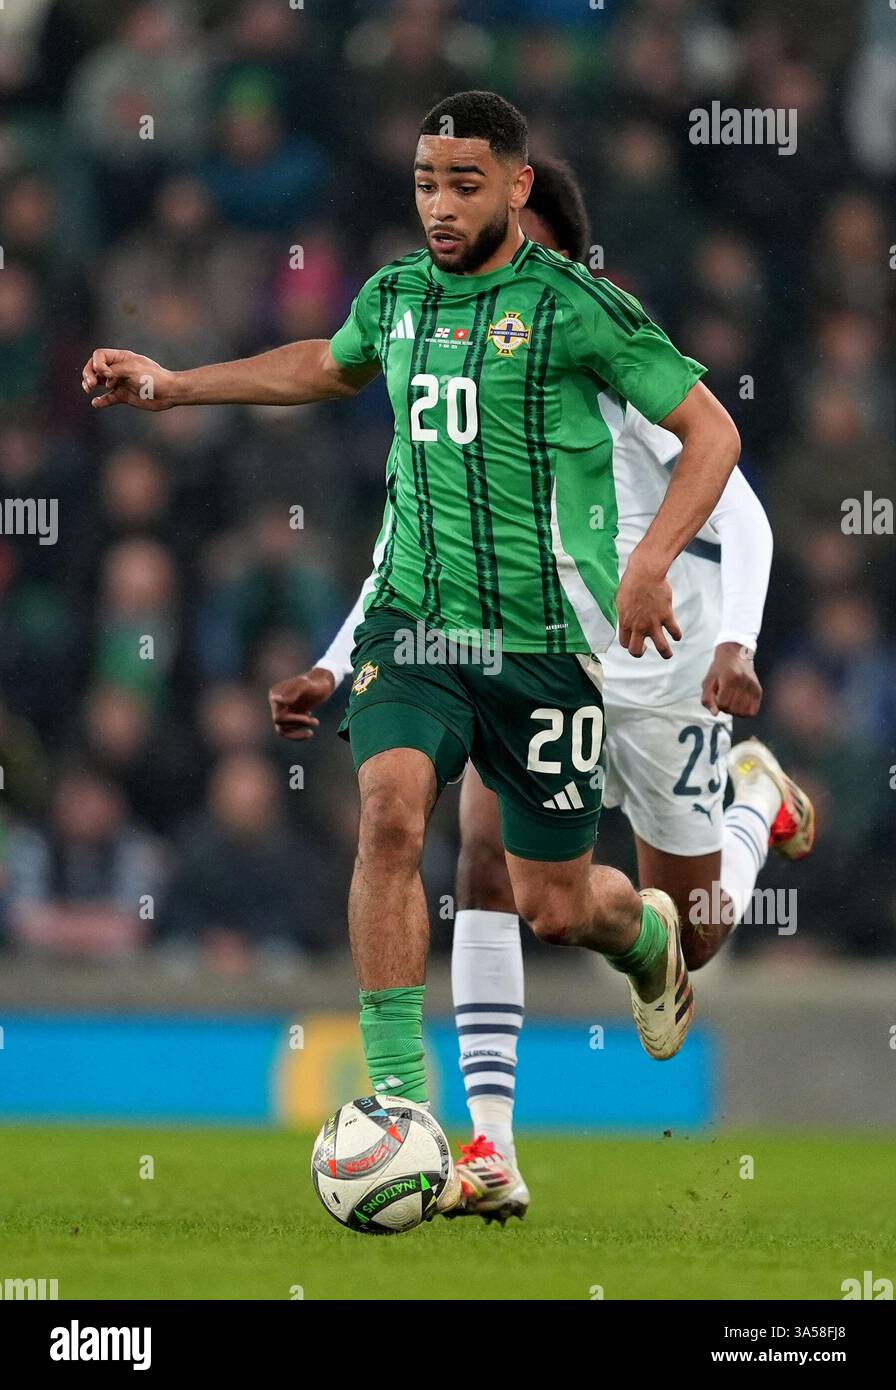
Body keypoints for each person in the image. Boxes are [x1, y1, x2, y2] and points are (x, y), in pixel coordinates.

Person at [83, 91, 744, 1217]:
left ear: (517, 187)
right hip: (417, 627)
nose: (439, 205)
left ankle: (640, 934)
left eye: (464, 184)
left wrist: (648, 564)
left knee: (550, 904)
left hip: (547, 647)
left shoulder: (573, 307)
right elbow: (326, 367)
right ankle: (400, 1102)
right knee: (390, 812)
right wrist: (175, 383)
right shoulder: (393, 295)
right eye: (426, 182)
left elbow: (711, 434)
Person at [270, 155, 815, 1221]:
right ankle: (491, 1148)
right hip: (520, 650)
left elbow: (740, 509)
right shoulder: (462, 368)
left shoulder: (607, 348)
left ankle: (756, 800)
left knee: (691, 927)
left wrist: (737, 643)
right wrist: (339, 661)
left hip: (658, 666)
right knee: (483, 858)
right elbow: (399, 544)